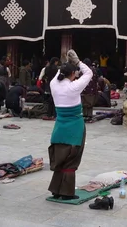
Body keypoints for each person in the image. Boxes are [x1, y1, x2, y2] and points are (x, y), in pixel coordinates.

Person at [48, 50, 93, 200]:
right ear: (73, 73)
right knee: (71, 159)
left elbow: (59, 74)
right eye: (75, 73)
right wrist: (78, 62)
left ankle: (56, 190)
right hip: (75, 127)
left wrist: (67, 64)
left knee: (60, 157)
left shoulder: (53, 84)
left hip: (59, 127)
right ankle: (66, 192)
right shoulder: (73, 87)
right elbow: (89, 73)